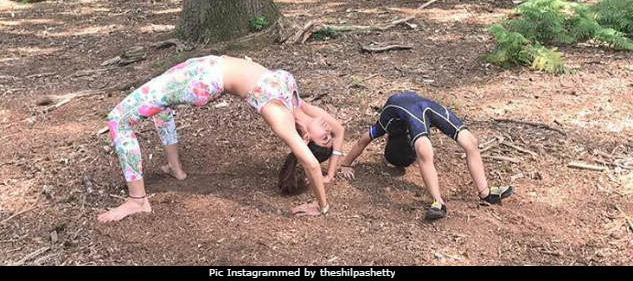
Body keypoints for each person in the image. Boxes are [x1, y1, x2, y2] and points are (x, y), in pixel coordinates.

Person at [98, 55, 344, 223]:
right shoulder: (296, 103)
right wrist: (332, 170)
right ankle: (175, 167)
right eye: (329, 135)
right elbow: (340, 128)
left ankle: (137, 200)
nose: (328, 129)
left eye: (325, 138)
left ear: (306, 137)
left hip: (201, 80)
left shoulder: (281, 115)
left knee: (118, 119)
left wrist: (322, 207)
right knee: (161, 105)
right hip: (203, 68)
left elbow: (311, 163)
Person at [339, 91, 512, 221]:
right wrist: (347, 163)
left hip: (415, 104)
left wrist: (346, 163)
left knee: (466, 143)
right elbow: (363, 141)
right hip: (423, 105)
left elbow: (362, 140)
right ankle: (438, 202)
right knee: (441, 147)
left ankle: (485, 193)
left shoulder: (386, 122)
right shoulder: (397, 127)